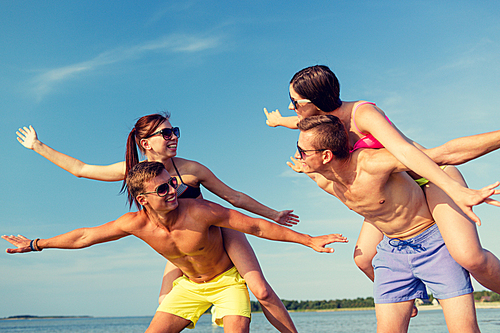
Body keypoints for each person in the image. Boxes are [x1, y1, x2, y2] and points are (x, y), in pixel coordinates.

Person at [16, 113, 299, 333]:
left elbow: (233, 197)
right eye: (166, 133)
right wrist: (37, 146)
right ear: (146, 143)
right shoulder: (131, 171)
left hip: (218, 232)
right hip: (180, 241)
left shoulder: (191, 169)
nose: (173, 136)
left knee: (260, 290)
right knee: (164, 303)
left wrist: (272, 213)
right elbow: (81, 170)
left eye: (175, 131)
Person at [3, 161, 347, 333]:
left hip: (227, 282)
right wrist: (35, 244)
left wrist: (308, 240)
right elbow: (84, 237)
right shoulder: (135, 223)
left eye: (172, 184)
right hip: (188, 288)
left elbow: (255, 226)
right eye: (163, 190)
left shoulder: (200, 211)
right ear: (143, 199)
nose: (172, 192)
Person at [264, 65, 500, 299]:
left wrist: (455, 190)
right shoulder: (322, 122)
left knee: (469, 257)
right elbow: (297, 122)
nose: (290, 107)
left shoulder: (362, 115)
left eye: (294, 102)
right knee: (364, 259)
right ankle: (405, 299)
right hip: (394, 190)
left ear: (314, 101)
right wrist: (277, 122)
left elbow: (407, 152)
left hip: (430, 176)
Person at [292, 115, 500, 332]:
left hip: (434, 245)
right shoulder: (324, 179)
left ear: (326, 155)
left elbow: (444, 153)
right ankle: (404, 298)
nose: (299, 155)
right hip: (392, 254)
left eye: (303, 151)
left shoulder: (372, 163)